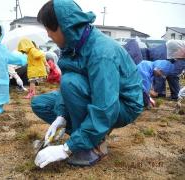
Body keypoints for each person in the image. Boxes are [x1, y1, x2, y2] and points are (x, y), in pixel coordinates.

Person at [32, 0, 144, 168]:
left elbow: (105, 107)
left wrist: (66, 148)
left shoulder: (101, 53)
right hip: (95, 92)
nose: (48, 34)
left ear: (64, 26)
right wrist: (61, 116)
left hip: (121, 104)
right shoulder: (74, 45)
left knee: (71, 83)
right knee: (41, 104)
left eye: (49, 29)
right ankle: (89, 134)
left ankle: (90, 145)